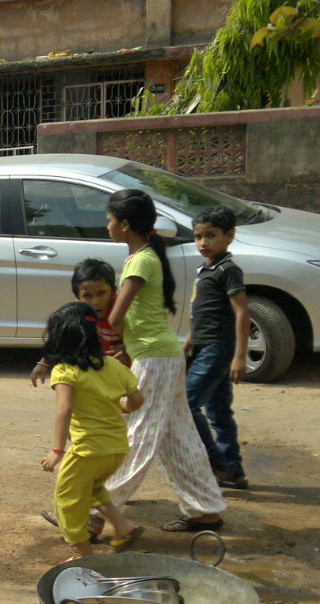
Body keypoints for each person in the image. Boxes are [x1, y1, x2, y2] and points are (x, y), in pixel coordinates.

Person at [101, 189, 228, 533]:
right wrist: (127, 348)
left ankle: (94, 512)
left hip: (155, 358)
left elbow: (116, 317)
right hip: (160, 355)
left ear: (125, 225)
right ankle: (206, 509)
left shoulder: (141, 260)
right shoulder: (142, 256)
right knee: (178, 438)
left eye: (111, 219)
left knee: (135, 435)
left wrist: (88, 340)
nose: (107, 225)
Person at [40, 302, 146, 560]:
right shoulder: (113, 365)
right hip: (117, 448)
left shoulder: (65, 371)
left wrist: (57, 450)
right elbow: (137, 401)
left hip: (88, 450)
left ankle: (86, 557)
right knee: (92, 488)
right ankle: (123, 526)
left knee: (67, 500)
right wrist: (122, 406)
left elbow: (64, 409)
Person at [185, 206, 251, 490]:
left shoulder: (228, 270)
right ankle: (233, 470)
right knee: (219, 410)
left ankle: (219, 466)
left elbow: (242, 313)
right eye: (199, 236)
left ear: (230, 236)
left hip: (219, 348)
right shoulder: (206, 269)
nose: (203, 243)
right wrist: (191, 339)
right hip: (205, 346)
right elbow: (201, 311)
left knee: (187, 404)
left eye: (211, 236)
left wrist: (239, 356)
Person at [30, 258, 127, 386]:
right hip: (95, 373)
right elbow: (61, 338)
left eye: (101, 293)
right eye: (87, 296)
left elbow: (147, 335)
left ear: (113, 292)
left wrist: (128, 351)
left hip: (125, 372)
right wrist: (44, 362)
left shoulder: (124, 309)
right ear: (77, 298)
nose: (96, 301)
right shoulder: (78, 313)